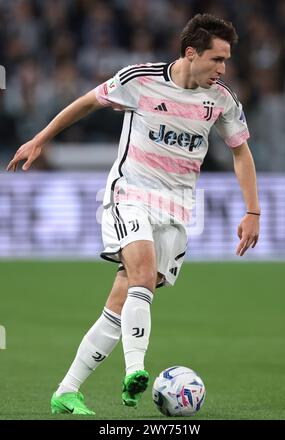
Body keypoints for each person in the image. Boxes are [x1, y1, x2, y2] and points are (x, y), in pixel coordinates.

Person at [7, 13, 260, 415]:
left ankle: (67, 390)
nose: (223, 69)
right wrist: (40, 138)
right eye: (217, 59)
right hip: (131, 194)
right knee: (141, 274)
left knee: (123, 298)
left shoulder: (222, 100)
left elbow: (240, 151)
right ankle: (135, 370)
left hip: (177, 208)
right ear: (191, 53)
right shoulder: (140, 80)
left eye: (226, 60)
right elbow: (88, 102)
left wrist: (253, 210)